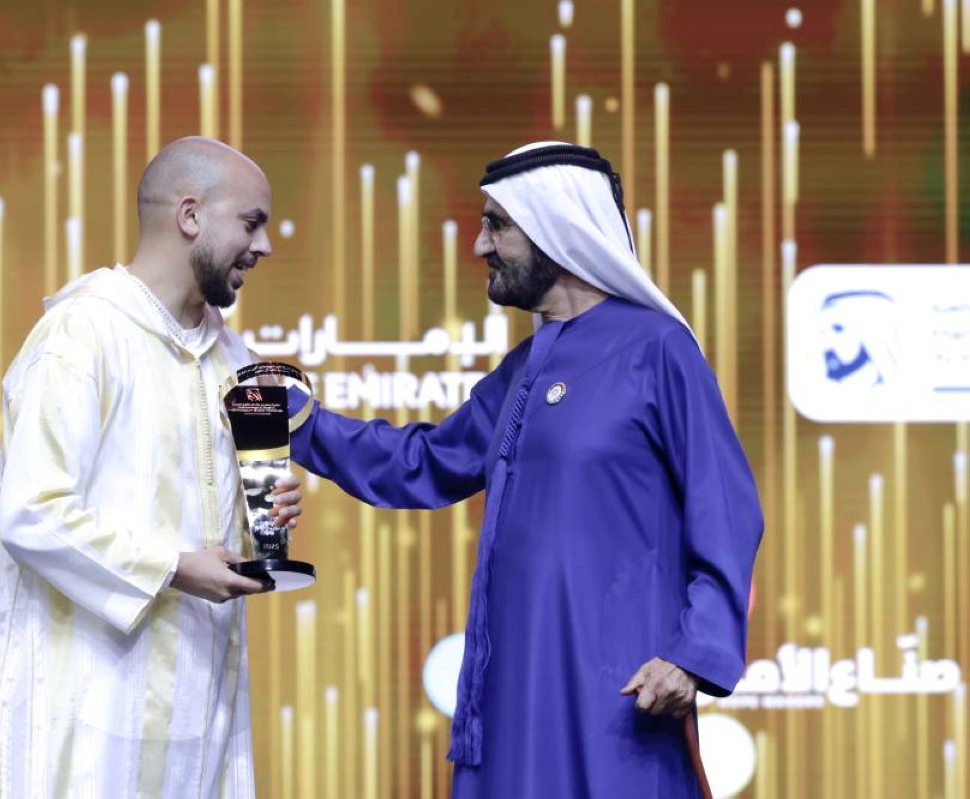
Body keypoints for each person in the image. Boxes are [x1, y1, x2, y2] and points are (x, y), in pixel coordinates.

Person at [288, 142, 763, 797]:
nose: (480, 245)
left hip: (617, 699)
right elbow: (423, 462)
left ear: (555, 228)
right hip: (510, 696)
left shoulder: (657, 348)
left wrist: (692, 655)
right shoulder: (526, 368)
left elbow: (727, 512)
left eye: (497, 225)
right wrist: (299, 422)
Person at [0, 136, 302, 798]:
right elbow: (31, 512)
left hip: (199, 717)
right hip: (84, 720)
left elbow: (213, 524)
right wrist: (174, 566)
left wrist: (263, 516)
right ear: (190, 215)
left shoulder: (233, 358)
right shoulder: (83, 334)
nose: (264, 246)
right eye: (251, 222)